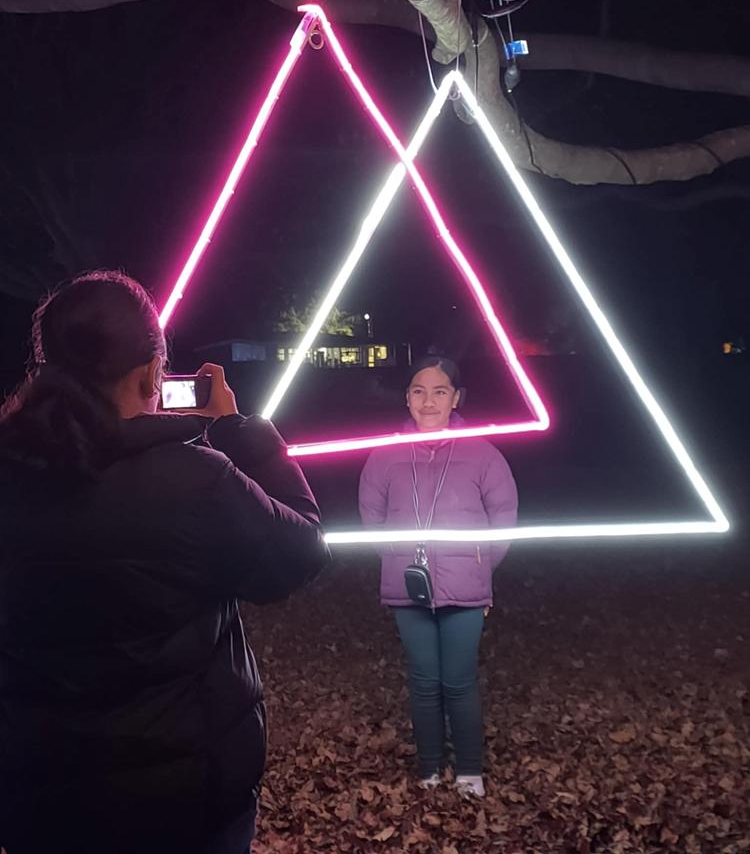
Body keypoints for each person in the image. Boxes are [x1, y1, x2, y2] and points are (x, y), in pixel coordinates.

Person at [0, 270, 329, 854]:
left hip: (39, 793)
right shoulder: (193, 482)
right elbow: (299, 551)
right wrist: (240, 433)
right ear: (154, 373)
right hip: (180, 802)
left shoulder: (12, 471)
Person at [358, 356, 517, 798]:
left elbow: (503, 518)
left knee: (459, 681)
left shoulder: (483, 454)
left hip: (465, 589)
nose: (429, 401)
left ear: (456, 399)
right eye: (419, 391)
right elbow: (371, 515)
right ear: (407, 398)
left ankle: (469, 771)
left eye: (440, 391)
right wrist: (397, 556)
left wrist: (478, 565)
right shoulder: (385, 454)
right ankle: (430, 768)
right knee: (424, 681)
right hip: (407, 586)